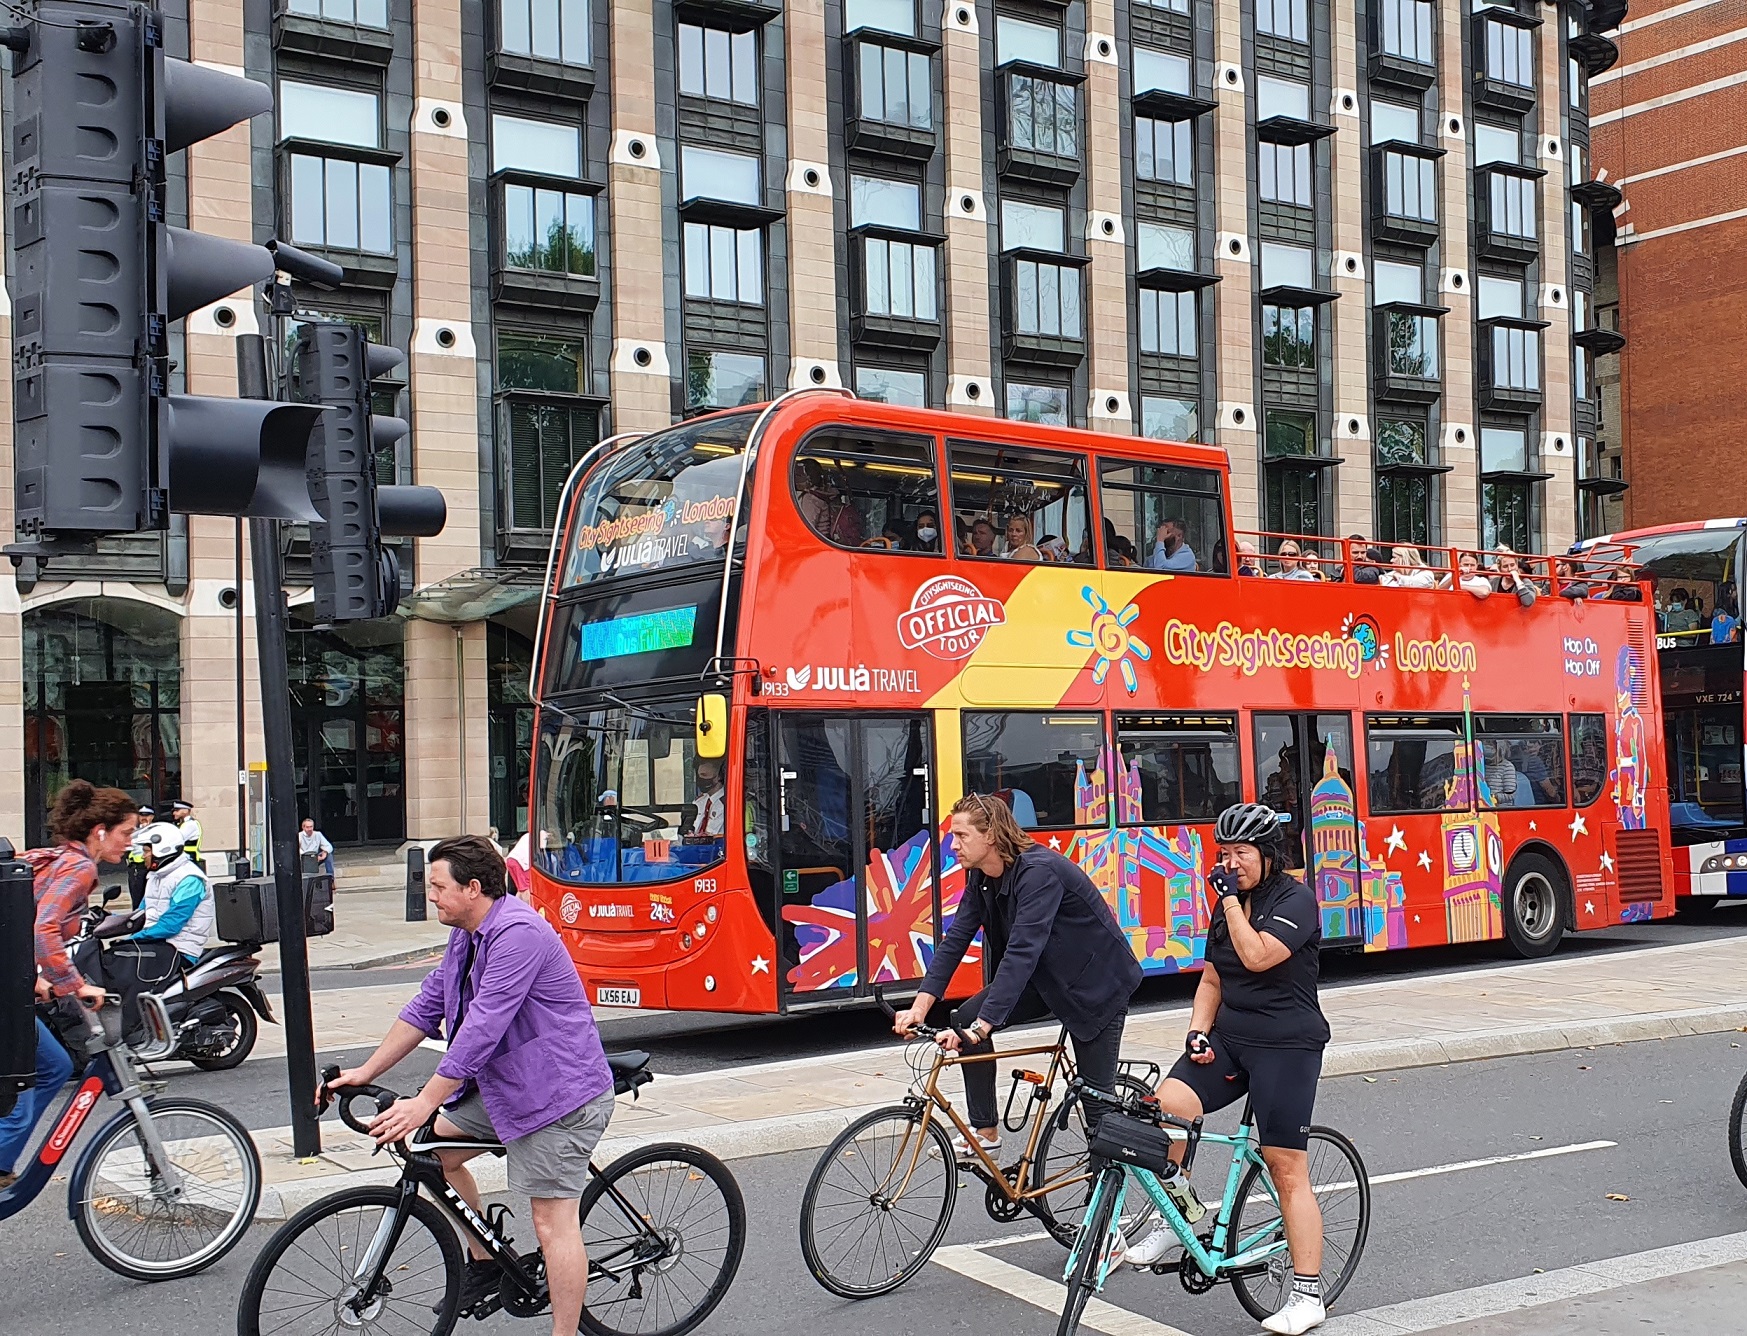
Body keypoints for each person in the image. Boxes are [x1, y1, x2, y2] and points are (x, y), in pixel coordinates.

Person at [326, 836, 614, 1334]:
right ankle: (483, 1260)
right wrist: (366, 1072)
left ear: (473, 887)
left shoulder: (518, 934)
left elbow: (484, 1026)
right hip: (505, 1087)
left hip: (557, 1096)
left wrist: (425, 1101)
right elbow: (427, 1005)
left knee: (551, 1223)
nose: (431, 895)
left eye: (438, 886)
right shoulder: (467, 932)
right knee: (434, 1159)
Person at [1123, 804, 1330, 1335]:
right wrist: (1197, 1029)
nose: (1231, 863)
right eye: (1224, 853)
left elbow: (1259, 956)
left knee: (1285, 1165)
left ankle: (1308, 1294)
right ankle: (1185, 1214)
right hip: (1231, 1038)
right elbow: (1213, 977)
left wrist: (1232, 902)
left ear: (1269, 855)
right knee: (1163, 1108)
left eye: (1242, 853)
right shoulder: (1227, 906)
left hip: (1287, 1045)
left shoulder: (1296, 900)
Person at [892, 794, 1141, 1159]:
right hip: (1047, 979)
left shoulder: (1039, 872)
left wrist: (984, 1026)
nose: (953, 844)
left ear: (990, 835)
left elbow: (1022, 952)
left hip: (1096, 986)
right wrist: (920, 1007)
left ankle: (1102, 1206)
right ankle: (985, 1133)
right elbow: (957, 938)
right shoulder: (982, 875)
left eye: (961, 835)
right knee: (963, 1018)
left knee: (1097, 1106)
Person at [1, 782, 137, 1191]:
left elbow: (24, 922)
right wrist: (76, 986)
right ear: (99, 830)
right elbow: (43, 927)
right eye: (126, 833)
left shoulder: (59, 857)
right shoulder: (79, 867)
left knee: (51, 1066)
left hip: (13, 979)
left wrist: (36, 975)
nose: (130, 843)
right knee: (45, 1071)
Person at [83, 821, 215, 1039]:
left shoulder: (190, 879)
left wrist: (135, 937)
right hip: (159, 942)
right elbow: (142, 914)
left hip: (178, 947)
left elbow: (172, 923)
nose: (143, 855)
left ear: (163, 849)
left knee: (124, 967)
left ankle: (125, 1032)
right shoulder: (156, 875)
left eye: (146, 851)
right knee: (110, 958)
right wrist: (105, 920)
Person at [687, 760, 727, 842]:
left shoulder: (727, 803)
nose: (700, 779)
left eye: (704, 775)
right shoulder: (699, 802)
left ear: (718, 777)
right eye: (699, 776)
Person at [125, 803, 155, 908]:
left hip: (149, 867)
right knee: (136, 899)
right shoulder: (132, 831)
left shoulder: (155, 831)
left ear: (152, 817)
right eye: (141, 815)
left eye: (147, 815)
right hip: (135, 868)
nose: (144, 818)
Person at [170, 798, 202, 864]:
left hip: (189, 857)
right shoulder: (183, 824)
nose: (174, 813)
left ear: (186, 811)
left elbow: (177, 839)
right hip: (184, 857)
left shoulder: (190, 824)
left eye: (177, 810)